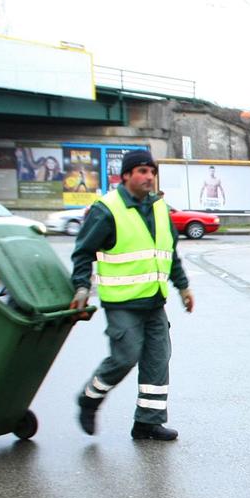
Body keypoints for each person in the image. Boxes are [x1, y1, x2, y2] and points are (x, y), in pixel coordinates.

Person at [70, 150, 195, 441]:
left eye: (151, 171)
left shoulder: (160, 209)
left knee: (157, 360)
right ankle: (89, 398)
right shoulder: (107, 209)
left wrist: (183, 287)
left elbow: (169, 254)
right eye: (142, 171)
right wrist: (81, 287)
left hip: (154, 301)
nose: (149, 177)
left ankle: (147, 423)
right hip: (122, 302)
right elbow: (83, 252)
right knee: (125, 358)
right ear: (126, 175)